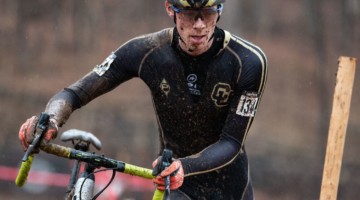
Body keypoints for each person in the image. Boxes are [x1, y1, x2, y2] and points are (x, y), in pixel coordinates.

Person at [19, 0, 267, 199]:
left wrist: (185, 167)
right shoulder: (147, 51)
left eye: (208, 12)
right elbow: (74, 93)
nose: (200, 25)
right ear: (170, 8)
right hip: (175, 186)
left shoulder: (248, 61)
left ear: (220, 10)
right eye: (190, 14)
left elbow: (232, 142)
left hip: (232, 189)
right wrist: (50, 120)